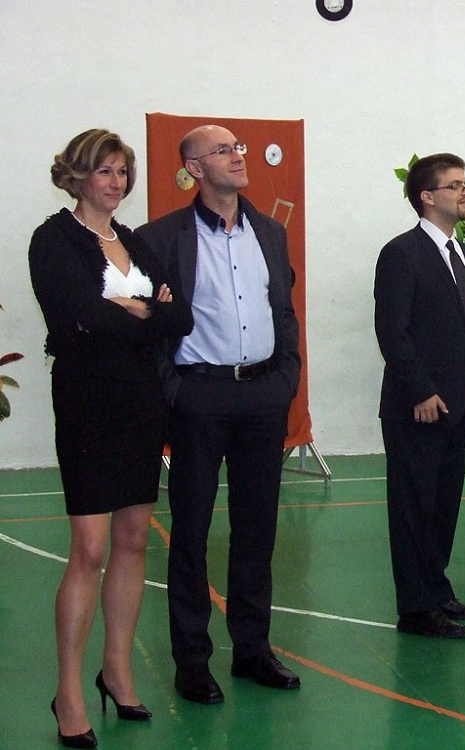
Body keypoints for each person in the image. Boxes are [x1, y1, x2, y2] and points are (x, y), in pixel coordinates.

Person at [29, 129, 193, 747]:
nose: (116, 182)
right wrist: (148, 311)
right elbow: (77, 316)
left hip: (141, 402)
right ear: (78, 176)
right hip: (87, 404)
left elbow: (182, 316)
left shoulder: (134, 241)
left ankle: (117, 671)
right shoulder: (54, 239)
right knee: (90, 549)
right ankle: (68, 691)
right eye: (105, 171)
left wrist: (136, 313)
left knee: (132, 539)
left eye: (123, 172)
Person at [136, 125, 301, 704]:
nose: (238, 156)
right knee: (192, 530)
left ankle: (253, 650)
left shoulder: (270, 232)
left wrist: (285, 378)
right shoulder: (161, 238)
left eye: (239, 148)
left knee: (257, 530)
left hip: (262, 397)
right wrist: (175, 390)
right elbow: (152, 325)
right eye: (224, 150)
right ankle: (192, 661)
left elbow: (283, 310)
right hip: (199, 398)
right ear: (195, 168)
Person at [374, 153, 465, 640]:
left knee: (443, 504)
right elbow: (392, 331)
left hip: (458, 404)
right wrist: (420, 389)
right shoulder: (401, 253)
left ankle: (437, 590)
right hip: (417, 406)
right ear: (427, 196)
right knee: (413, 506)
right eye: (455, 185)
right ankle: (416, 609)